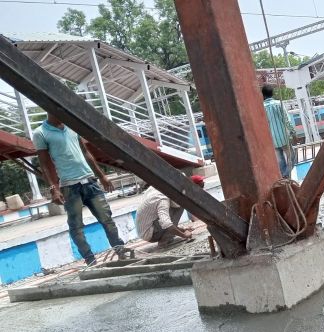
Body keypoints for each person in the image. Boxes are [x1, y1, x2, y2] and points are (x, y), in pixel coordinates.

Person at [33, 113, 134, 265]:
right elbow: (44, 163)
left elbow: (86, 153)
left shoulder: (71, 126)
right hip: (69, 186)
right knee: (76, 227)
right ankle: (90, 260)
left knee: (107, 219)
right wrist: (53, 188)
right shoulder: (40, 133)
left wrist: (102, 176)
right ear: (49, 109)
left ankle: (120, 250)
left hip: (90, 181)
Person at [135, 175, 203, 248]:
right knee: (180, 205)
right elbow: (166, 224)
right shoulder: (162, 199)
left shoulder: (157, 188)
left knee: (176, 205)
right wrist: (184, 235)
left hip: (147, 230)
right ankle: (164, 241)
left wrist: (182, 230)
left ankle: (167, 237)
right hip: (151, 234)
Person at [262, 85, 297, 179]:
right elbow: (287, 120)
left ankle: (284, 179)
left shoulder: (261, 108)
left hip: (272, 140)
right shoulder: (279, 104)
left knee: (280, 161)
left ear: (263, 95)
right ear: (272, 94)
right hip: (283, 138)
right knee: (292, 158)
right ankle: (286, 175)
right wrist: (293, 133)